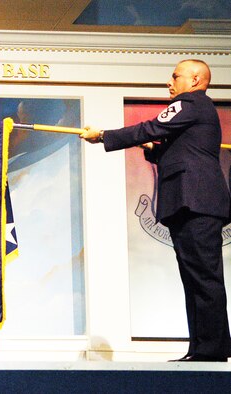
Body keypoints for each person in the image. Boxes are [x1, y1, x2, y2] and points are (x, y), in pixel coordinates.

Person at [81, 59, 231, 362]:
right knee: (194, 278)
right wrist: (154, 149)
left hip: (197, 202)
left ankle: (213, 348)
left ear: (196, 80)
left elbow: (151, 127)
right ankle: (202, 348)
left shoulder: (191, 102)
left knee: (203, 277)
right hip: (188, 203)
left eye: (176, 76)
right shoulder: (196, 111)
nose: (170, 82)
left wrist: (104, 136)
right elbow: (175, 150)